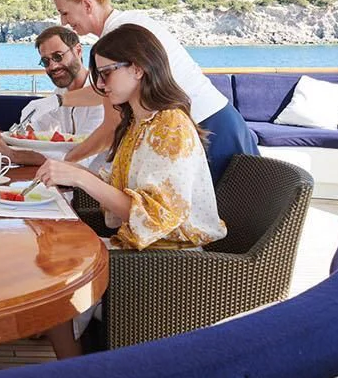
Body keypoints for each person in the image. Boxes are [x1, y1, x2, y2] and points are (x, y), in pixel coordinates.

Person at [32, 24, 226, 358]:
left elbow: (155, 215)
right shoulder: (137, 122)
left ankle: (77, 377)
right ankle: (71, 359)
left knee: (56, 275)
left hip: (170, 257)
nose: (102, 85)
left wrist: (80, 179)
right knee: (50, 252)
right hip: (143, 244)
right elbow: (113, 183)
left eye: (106, 73)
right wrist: (71, 173)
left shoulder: (170, 127)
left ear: (137, 68)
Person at [50, 0, 257, 181]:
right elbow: (106, 91)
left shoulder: (121, 37)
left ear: (87, 4)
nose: (63, 22)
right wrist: (59, 101)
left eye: (64, 12)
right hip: (213, 122)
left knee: (224, 214)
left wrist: (66, 163)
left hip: (207, 128)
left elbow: (112, 126)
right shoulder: (127, 23)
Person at [0, 25, 106, 168]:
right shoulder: (60, 92)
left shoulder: (102, 97)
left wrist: (13, 155)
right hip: (65, 183)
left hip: (95, 182)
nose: (53, 66)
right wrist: (4, 138)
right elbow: (34, 129)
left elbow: (81, 160)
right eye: (46, 61)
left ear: (78, 51)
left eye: (58, 56)